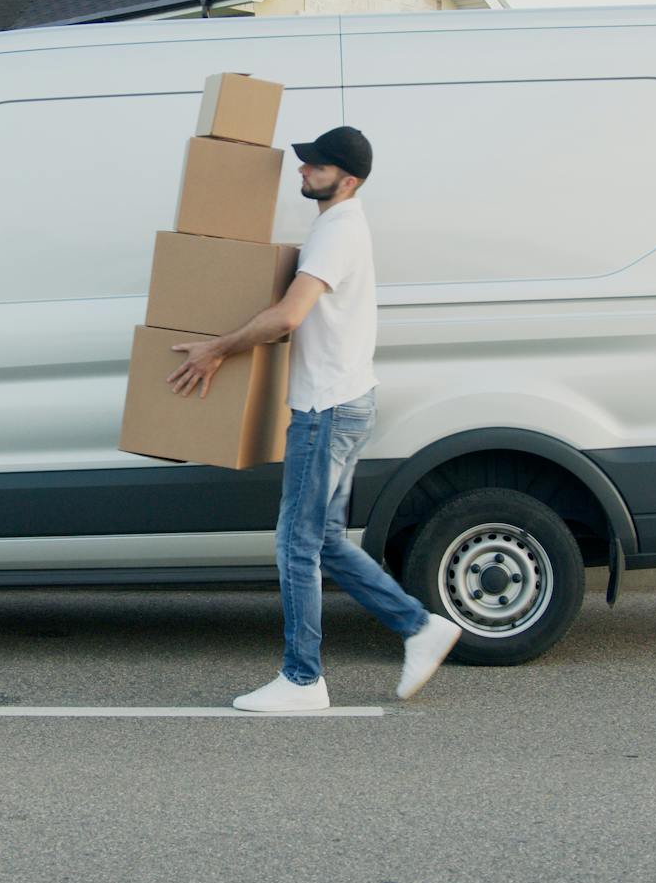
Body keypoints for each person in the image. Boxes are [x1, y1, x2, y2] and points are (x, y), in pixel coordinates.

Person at [166, 126, 462, 711]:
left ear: (346, 179)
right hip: (347, 400)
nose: (302, 172)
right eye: (305, 163)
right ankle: (420, 626)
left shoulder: (338, 230)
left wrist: (215, 349)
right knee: (322, 537)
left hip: (326, 410)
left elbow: (287, 317)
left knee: (295, 544)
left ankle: (303, 679)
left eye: (315, 166)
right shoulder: (338, 226)